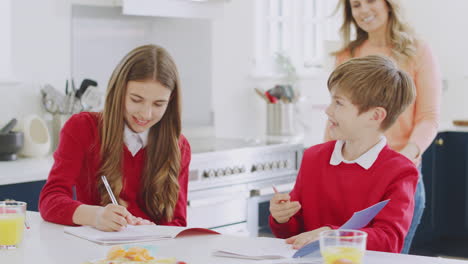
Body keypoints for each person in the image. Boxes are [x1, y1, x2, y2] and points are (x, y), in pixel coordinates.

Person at [269, 55, 418, 253]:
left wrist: (330, 235)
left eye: (339, 103)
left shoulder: (400, 172)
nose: (328, 111)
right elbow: (295, 234)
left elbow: (388, 240)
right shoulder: (314, 157)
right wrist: (283, 218)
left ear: (375, 116)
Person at [325, 0, 442, 253]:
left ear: (389, 4)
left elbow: (428, 117)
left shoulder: (417, 51)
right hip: (351, 177)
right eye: (356, 5)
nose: (364, 10)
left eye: (370, 1)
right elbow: (335, 116)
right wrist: (321, 165)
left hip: (397, 174)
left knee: (388, 256)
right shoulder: (348, 55)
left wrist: (404, 159)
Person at [39, 44, 191, 231]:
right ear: (119, 91)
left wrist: (150, 229)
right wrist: (96, 216)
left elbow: (177, 223)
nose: (146, 113)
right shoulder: (82, 128)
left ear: (171, 101)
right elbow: (50, 200)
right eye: (136, 99)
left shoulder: (179, 146)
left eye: (159, 104)